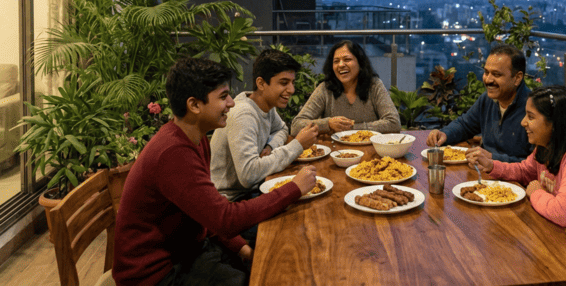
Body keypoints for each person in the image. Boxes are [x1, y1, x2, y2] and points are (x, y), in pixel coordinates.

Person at [113, 58, 317, 286]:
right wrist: (294, 188)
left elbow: (205, 213)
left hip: (189, 248)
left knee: (269, 258)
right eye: (223, 97)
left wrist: (241, 247)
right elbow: (225, 219)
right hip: (156, 273)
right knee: (267, 273)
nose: (231, 103)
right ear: (194, 105)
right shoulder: (173, 152)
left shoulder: (195, 138)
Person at [466, 85, 566, 256]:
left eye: (531, 117)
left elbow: (563, 214)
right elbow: (524, 171)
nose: (523, 122)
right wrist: (492, 165)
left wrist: (535, 192)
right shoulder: (547, 146)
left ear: (555, 123)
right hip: (557, 237)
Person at [211, 49, 319, 202]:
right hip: (232, 201)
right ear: (261, 83)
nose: (291, 90)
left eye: (292, 83)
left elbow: (282, 128)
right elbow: (248, 175)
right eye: (284, 83)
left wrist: (269, 146)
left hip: (254, 189)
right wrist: (298, 144)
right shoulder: (243, 115)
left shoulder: (265, 105)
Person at [426, 43, 532, 162]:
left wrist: (491, 159)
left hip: (513, 179)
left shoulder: (534, 109)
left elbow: (534, 166)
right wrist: (445, 134)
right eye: (486, 72)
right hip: (482, 172)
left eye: (496, 74)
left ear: (517, 78)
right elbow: (465, 125)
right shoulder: (487, 99)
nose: (488, 80)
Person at [291, 40, 400, 135]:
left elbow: (394, 123)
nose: (341, 65)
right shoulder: (325, 88)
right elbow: (296, 126)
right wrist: (327, 124)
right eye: (336, 61)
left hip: (369, 149)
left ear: (360, 63)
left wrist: (352, 128)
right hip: (335, 151)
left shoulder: (374, 85)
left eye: (347, 59)